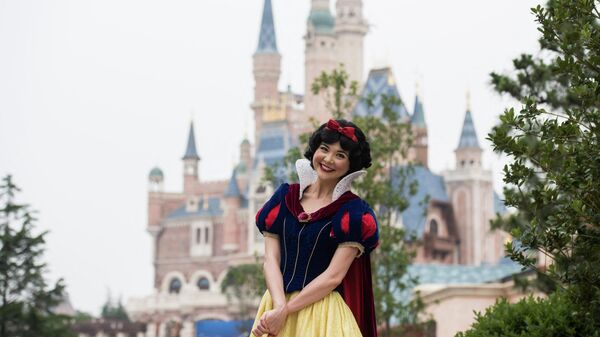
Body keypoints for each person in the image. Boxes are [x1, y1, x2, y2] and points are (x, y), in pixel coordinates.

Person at [251, 119, 379, 337]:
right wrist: (279, 305)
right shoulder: (284, 198)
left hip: (323, 315)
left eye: (340, 155)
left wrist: (284, 311)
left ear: (351, 165)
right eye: (324, 149)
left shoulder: (353, 213)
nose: (328, 159)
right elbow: (271, 260)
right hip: (276, 303)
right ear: (315, 150)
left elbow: (333, 277)